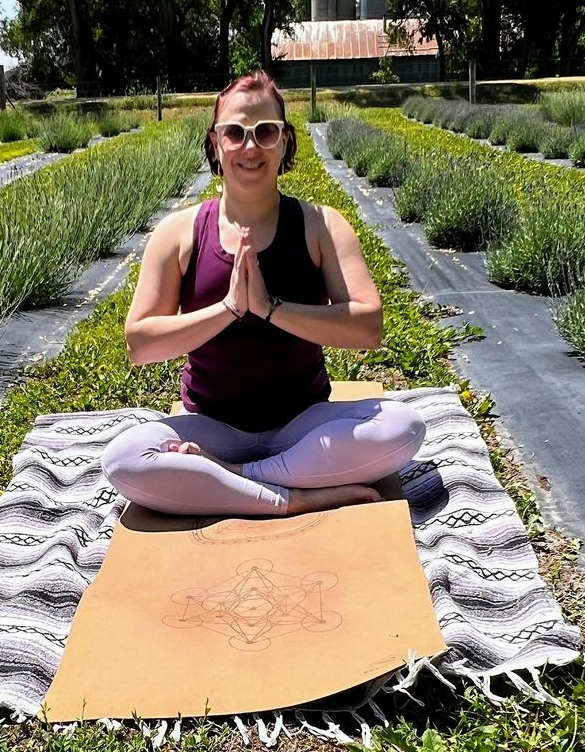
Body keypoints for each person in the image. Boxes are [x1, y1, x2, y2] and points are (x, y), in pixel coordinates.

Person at [101, 70, 426, 516]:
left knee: (404, 427)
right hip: (209, 427)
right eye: (234, 133)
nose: (250, 147)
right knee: (123, 458)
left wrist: (271, 309)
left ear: (286, 142)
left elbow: (367, 327)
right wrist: (230, 309)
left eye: (265, 132)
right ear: (215, 143)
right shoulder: (179, 233)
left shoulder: (321, 225)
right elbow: (140, 343)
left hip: (303, 426)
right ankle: (289, 493)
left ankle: (230, 479)